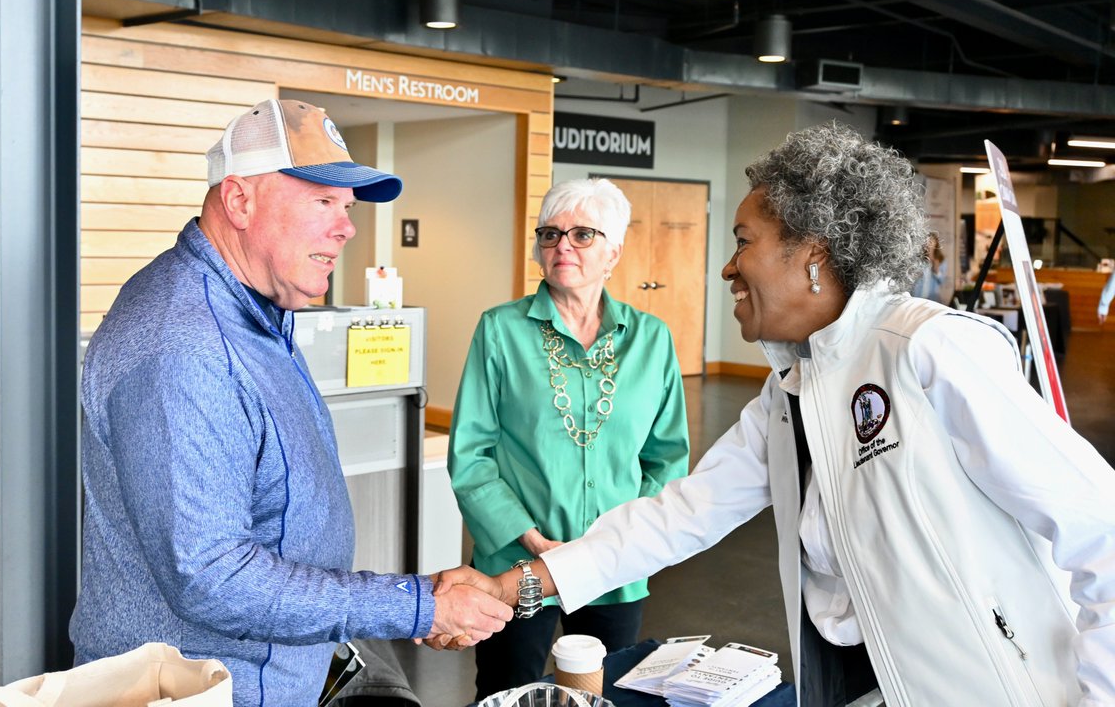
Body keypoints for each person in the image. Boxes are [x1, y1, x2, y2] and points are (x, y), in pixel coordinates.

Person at [441, 123, 1115, 707]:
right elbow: (682, 515)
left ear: (813, 253)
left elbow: (1101, 533)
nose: (730, 267)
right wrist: (514, 587)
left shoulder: (927, 350)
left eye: (744, 240)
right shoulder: (791, 393)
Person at [69, 99, 512, 707]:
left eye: (347, 207)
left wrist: (415, 602)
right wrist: (414, 607)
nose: (346, 227)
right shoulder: (186, 349)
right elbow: (211, 577)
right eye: (321, 201)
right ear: (239, 201)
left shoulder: (257, 312)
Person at [448, 177, 690, 699]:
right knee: (506, 691)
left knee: (610, 692)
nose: (563, 247)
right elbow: (471, 456)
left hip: (614, 566)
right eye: (550, 234)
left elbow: (667, 458)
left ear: (614, 252)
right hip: (517, 563)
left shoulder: (652, 339)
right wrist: (531, 540)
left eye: (583, 235)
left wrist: (625, 537)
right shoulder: (500, 330)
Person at [908, 231, 945, 302]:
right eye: (927, 241)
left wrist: (936, 271)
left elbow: (942, 281)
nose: (929, 243)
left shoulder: (941, 260)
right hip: (917, 297)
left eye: (931, 241)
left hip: (932, 299)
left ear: (936, 243)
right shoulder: (918, 258)